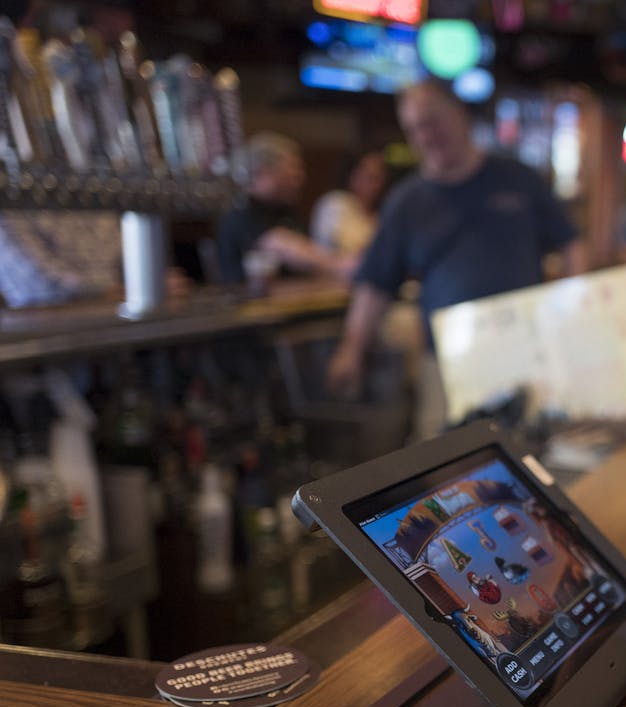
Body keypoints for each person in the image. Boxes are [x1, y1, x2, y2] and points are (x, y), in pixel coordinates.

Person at [325, 79, 584, 438]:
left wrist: (569, 311)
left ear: (460, 115)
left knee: (530, 459)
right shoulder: (407, 201)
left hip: (525, 353)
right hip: (447, 364)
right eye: (414, 128)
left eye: (432, 120)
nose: (426, 135)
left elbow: (572, 244)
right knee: (444, 469)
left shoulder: (518, 178)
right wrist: (351, 350)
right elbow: (374, 284)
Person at [215, 131, 354, 288]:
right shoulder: (242, 212)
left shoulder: (285, 210)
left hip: (291, 302)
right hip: (252, 308)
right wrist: (339, 265)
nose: (300, 178)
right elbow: (286, 249)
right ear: (265, 172)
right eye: (292, 170)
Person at [310, 149, 388, 256]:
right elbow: (343, 247)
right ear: (351, 174)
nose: (375, 185)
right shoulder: (335, 202)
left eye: (379, 178)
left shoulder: (380, 211)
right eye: (370, 177)